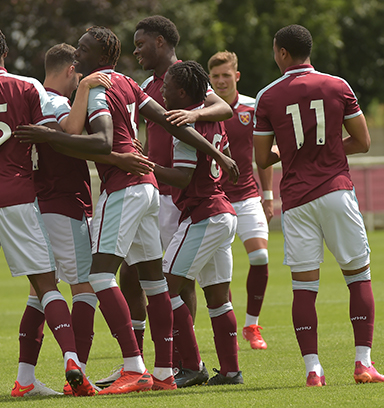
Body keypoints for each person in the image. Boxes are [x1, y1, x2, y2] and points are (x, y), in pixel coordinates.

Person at [14, 26, 239, 395]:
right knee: (154, 282)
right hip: (148, 190)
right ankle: (165, 372)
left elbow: (102, 140)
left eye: (83, 50)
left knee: (99, 276)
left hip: (123, 189)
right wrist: (215, 153)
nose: (77, 57)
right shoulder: (131, 84)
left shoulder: (100, 86)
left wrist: (48, 136)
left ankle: (134, 366)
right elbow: (171, 120)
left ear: (101, 55)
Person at [0, 25, 94, 401]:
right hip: (20, 197)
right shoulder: (28, 87)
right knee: (46, 285)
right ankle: (72, 360)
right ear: (5, 51)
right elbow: (49, 135)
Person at [253, 24, 384, 387]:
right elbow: (363, 141)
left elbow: (263, 158)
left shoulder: (266, 97)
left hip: (297, 201)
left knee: (304, 288)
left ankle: (313, 370)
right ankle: (363, 364)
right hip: (336, 192)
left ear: (281, 53)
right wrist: (326, 150)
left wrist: (294, 153)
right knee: (358, 275)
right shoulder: (337, 85)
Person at [14, 43, 150, 397]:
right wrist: (119, 158)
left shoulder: (30, 97)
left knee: (39, 293)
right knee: (86, 288)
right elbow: (70, 137)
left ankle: (25, 378)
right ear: (72, 70)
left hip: (34, 206)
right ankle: (83, 368)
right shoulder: (59, 102)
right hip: (65, 204)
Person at [100, 17, 232, 377]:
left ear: (160, 42)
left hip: (179, 192)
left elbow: (224, 108)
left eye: (140, 43)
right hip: (155, 189)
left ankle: (182, 361)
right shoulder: (146, 84)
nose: (136, 50)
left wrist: (194, 112)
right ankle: (140, 360)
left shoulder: (183, 79)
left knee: (175, 278)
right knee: (133, 271)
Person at [154, 60, 243, 386]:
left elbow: (182, 175)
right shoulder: (213, 119)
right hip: (223, 211)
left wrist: (147, 166)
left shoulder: (184, 123)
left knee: (166, 286)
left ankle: (192, 366)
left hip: (205, 213)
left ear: (180, 92)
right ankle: (231, 371)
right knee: (219, 297)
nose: (162, 92)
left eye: (166, 88)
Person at [208, 51, 274, 350]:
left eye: (226, 75)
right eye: (216, 76)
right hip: (215, 199)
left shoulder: (251, 108)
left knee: (260, 257)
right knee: (221, 270)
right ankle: (230, 328)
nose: (221, 81)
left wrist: (268, 195)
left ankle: (252, 325)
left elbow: (263, 155)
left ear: (236, 76)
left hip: (247, 196)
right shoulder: (203, 108)